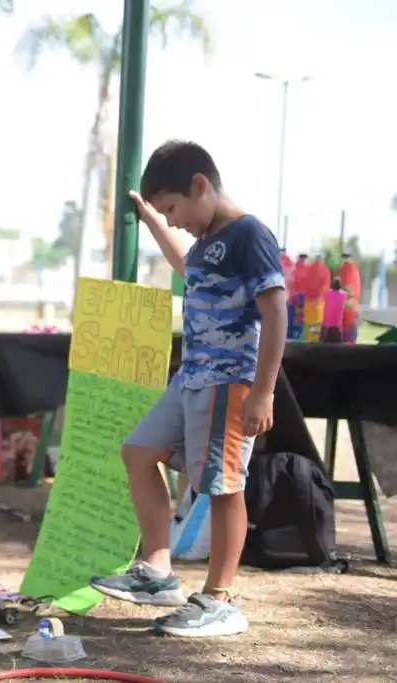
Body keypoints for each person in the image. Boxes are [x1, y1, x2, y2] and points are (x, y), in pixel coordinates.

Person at [89, 140, 287, 638]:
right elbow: (186, 264)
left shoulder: (248, 234)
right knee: (138, 451)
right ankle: (157, 571)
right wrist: (152, 218)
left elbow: (276, 309)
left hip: (228, 382)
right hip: (190, 378)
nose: (174, 220)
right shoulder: (205, 243)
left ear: (200, 185)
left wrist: (264, 391)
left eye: (174, 208)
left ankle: (220, 599)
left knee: (222, 487)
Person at [321, 277, 345, 343]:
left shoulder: (327, 293)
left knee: (324, 344)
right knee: (337, 345)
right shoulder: (343, 294)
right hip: (337, 324)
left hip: (326, 324)